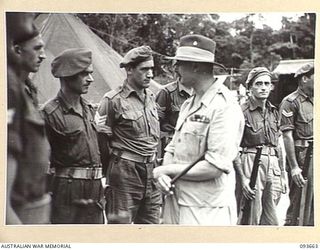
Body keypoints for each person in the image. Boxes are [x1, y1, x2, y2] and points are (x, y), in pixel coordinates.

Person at [153, 34, 244, 225]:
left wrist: (165, 169)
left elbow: (214, 167)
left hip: (207, 210)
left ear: (195, 66)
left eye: (179, 64)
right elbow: (172, 147)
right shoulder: (189, 104)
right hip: (177, 202)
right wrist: (163, 175)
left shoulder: (224, 106)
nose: (175, 69)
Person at [95, 45, 161, 224]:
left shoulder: (151, 97)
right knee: (120, 230)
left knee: (152, 230)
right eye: (144, 69)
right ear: (129, 69)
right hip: (124, 173)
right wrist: (115, 168)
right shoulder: (112, 100)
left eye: (151, 69)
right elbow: (101, 139)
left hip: (151, 171)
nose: (150, 75)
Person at [41, 48, 105, 224]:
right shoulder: (49, 113)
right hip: (67, 192)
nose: (90, 79)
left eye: (90, 73)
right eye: (84, 74)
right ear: (68, 75)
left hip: (95, 191)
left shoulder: (90, 110)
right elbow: (40, 164)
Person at [7, 13, 51, 224]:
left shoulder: (28, 90)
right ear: (16, 49)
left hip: (33, 209)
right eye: (37, 49)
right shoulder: (8, 87)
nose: (43, 55)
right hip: (18, 213)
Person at [235, 67, 286, 225]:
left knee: (271, 221)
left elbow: (278, 145)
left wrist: (283, 174)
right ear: (249, 88)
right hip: (251, 163)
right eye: (258, 84)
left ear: (271, 87)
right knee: (251, 217)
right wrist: (243, 179)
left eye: (266, 84)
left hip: (273, 166)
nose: (263, 87)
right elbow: (233, 148)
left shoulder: (273, 111)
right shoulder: (241, 112)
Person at [280, 62, 314, 226]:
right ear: (305, 78)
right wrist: (294, 167)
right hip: (301, 156)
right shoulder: (290, 102)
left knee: (314, 204)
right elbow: (287, 137)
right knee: (297, 203)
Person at [156, 73, 192, 159]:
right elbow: (156, 123)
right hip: (173, 145)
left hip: (194, 145)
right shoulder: (167, 92)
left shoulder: (201, 92)